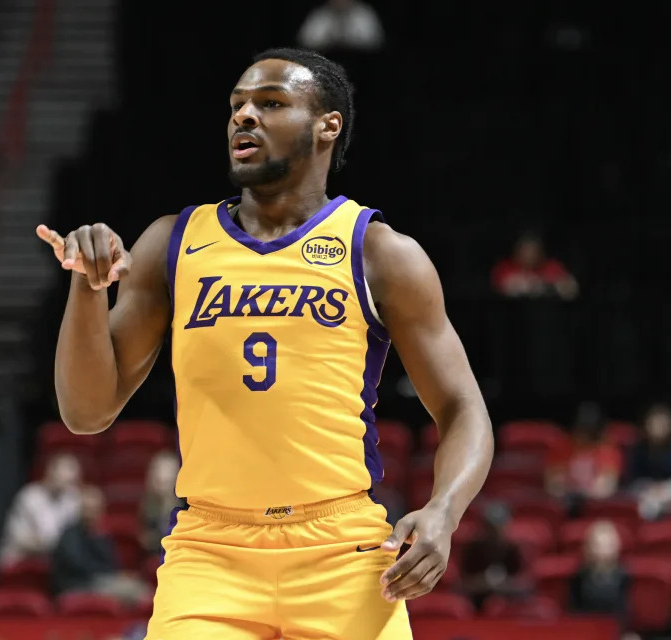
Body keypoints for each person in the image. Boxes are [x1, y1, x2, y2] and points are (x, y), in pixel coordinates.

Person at [37, 47, 494, 640]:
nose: (243, 116)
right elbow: (86, 412)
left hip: (340, 547)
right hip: (210, 550)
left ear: (328, 125)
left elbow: (464, 409)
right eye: (237, 106)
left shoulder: (379, 252)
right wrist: (86, 288)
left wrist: (444, 512)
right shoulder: (171, 244)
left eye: (270, 103)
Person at [52, 485, 151, 607]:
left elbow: (110, 562)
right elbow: (78, 565)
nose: (92, 513)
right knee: (134, 591)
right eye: (88, 509)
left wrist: (117, 575)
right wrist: (112, 575)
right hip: (77, 585)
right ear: (81, 509)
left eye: (95, 509)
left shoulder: (99, 533)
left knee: (142, 588)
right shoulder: (70, 534)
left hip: (98, 581)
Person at [0, 452, 82, 567]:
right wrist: (52, 545)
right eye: (65, 474)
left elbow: (72, 537)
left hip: (53, 561)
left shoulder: (71, 499)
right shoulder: (29, 496)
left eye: (71, 480)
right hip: (20, 560)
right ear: (50, 472)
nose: (69, 481)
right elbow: (19, 539)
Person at [570, 521, 638, 640]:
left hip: (617, 632)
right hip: (587, 632)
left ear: (616, 546)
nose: (602, 550)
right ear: (588, 547)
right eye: (598, 545)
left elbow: (627, 612)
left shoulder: (626, 576)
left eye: (607, 545)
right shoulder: (578, 577)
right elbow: (574, 611)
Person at [546, 402, 622, 507]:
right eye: (580, 429)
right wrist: (569, 494)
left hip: (595, 506)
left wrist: (584, 495)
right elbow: (553, 485)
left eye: (588, 431)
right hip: (564, 504)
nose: (583, 436)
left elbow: (607, 487)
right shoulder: (561, 447)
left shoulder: (607, 449)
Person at [459, 502, 524, 609]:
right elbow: (463, 582)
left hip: (507, 599)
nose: (495, 533)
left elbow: (521, 582)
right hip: (477, 599)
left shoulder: (512, 549)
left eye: (499, 528)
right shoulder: (473, 549)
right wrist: (482, 582)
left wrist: (503, 584)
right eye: (490, 528)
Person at [491, 230, 578, 300]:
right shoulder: (504, 268)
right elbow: (501, 288)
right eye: (525, 250)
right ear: (517, 251)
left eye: (533, 250)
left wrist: (546, 286)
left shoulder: (551, 267)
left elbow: (570, 289)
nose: (529, 254)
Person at [296, 0, 385, 53]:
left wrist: (350, 42)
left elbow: (375, 41)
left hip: (360, 65)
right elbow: (305, 41)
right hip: (327, 63)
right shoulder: (320, 15)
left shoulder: (364, 13)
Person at [139, 450, 180, 556]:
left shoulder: (184, 505)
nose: (162, 477)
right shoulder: (148, 505)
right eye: (157, 471)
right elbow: (145, 540)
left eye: (167, 472)